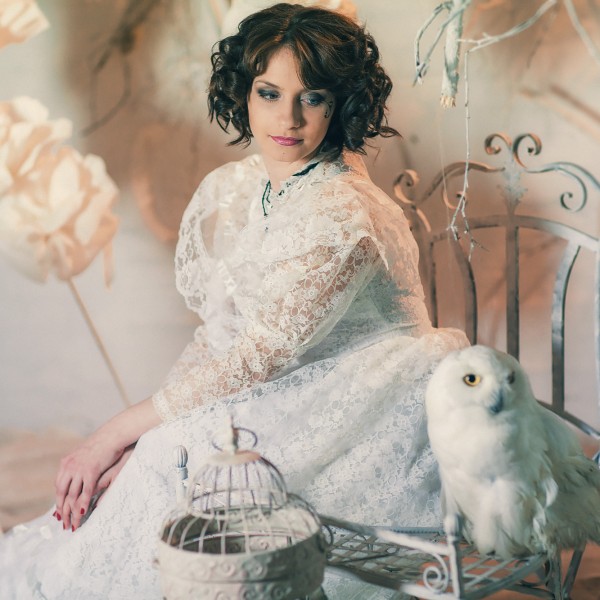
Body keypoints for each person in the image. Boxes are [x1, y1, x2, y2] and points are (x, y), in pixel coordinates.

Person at [0, 3, 468, 598]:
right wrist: (139, 438)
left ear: (341, 104)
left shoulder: (341, 209)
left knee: (179, 459)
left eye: (313, 97)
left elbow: (260, 356)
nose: (288, 118)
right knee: (159, 452)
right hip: (297, 381)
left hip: (365, 404)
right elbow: (221, 335)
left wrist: (113, 434)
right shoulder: (247, 187)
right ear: (243, 92)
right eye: (269, 93)